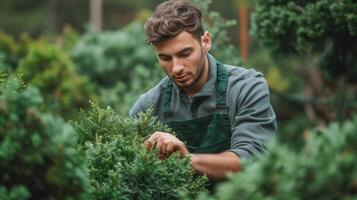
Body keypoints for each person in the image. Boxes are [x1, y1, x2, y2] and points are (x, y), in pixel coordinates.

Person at [129, 0, 277, 183]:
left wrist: (187, 160)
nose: (176, 68)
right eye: (165, 58)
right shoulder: (148, 106)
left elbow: (252, 160)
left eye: (185, 54)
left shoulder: (246, 87)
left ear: (205, 42)